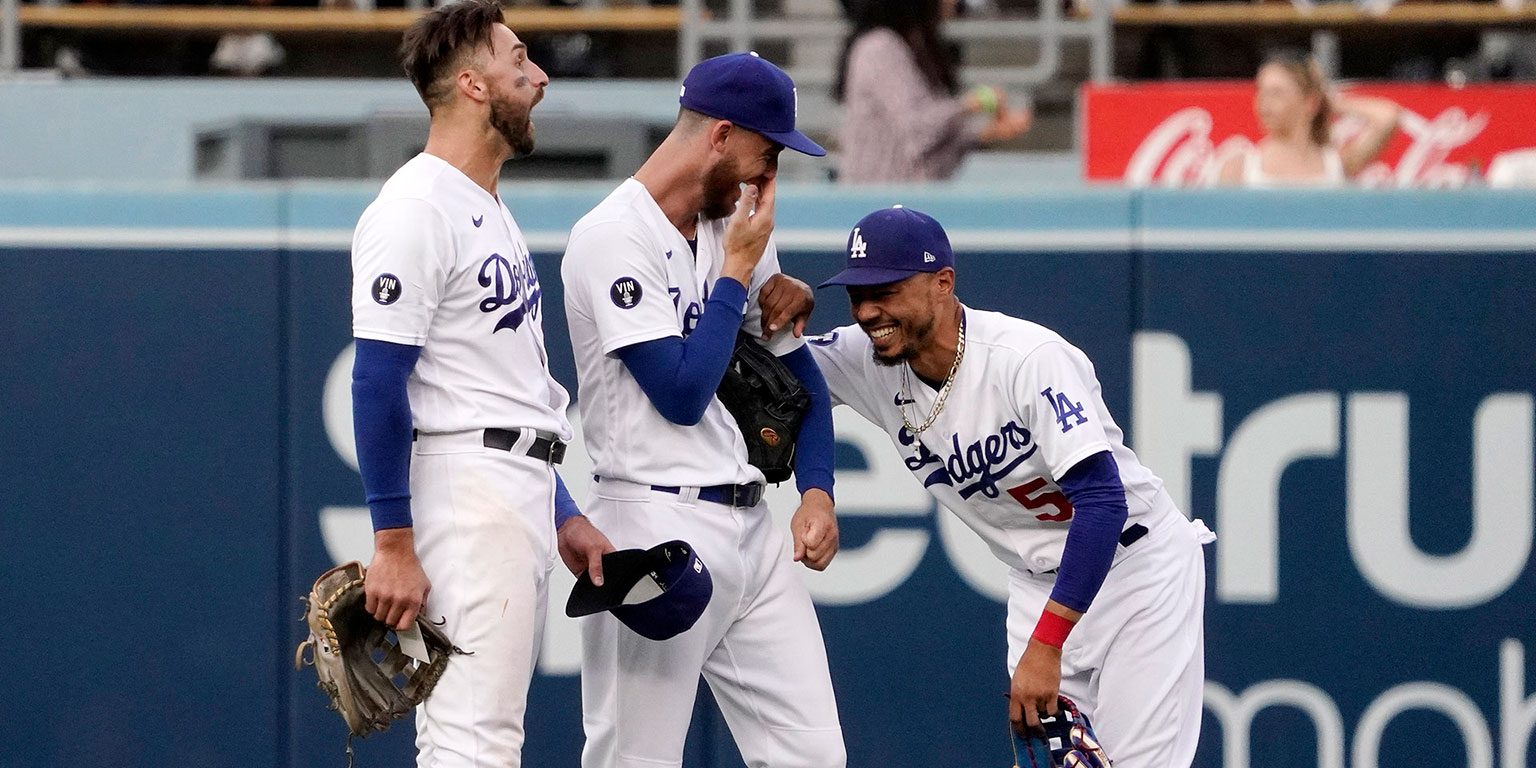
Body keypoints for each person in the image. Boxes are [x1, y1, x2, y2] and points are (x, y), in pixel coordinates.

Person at [800, 206, 1215, 767]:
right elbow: (768, 366)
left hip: (1134, 570)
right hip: (1036, 580)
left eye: (887, 289)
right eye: (856, 294)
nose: (868, 310)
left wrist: (1046, 645)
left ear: (943, 283)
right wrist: (774, 298)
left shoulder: (1027, 359)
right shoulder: (867, 357)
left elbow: (1102, 502)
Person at [560, 51, 846, 768]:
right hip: (653, 523)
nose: (769, 176)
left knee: (815, 759)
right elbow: (682, 394)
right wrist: (737, 276)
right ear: (720, 136)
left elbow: (796, 374)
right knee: (635, 760)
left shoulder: (735, 226)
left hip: (753, 531)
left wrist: (817, 491)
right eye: (766, 153)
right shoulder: (612, 236)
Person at [348, 2, 614, 765]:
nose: (540, 76)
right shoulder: (415, 206)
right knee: (473, 740)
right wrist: (392, 540)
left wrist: (562, 510)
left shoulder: (486, 204)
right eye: (518, 58)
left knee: (487, 733)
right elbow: (377, 381)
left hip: (515, 482)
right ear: (470, 83)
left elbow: (507, 386)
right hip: (466, 490)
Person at [834, 0, 1032, 183]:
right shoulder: (880, 47)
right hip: (877, 205)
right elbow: (918, 127)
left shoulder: (914, 46)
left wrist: (985, 133)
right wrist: (972, 103)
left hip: (908, 201)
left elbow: (931, 154)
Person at [1216, 50, 1402, 187]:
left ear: (1309, 102)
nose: (1264, 103)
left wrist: (1330, 102)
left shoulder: (1335, 162)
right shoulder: (1240, 168)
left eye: (1277, 93)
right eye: (1261, 92)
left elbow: (1387, 117)